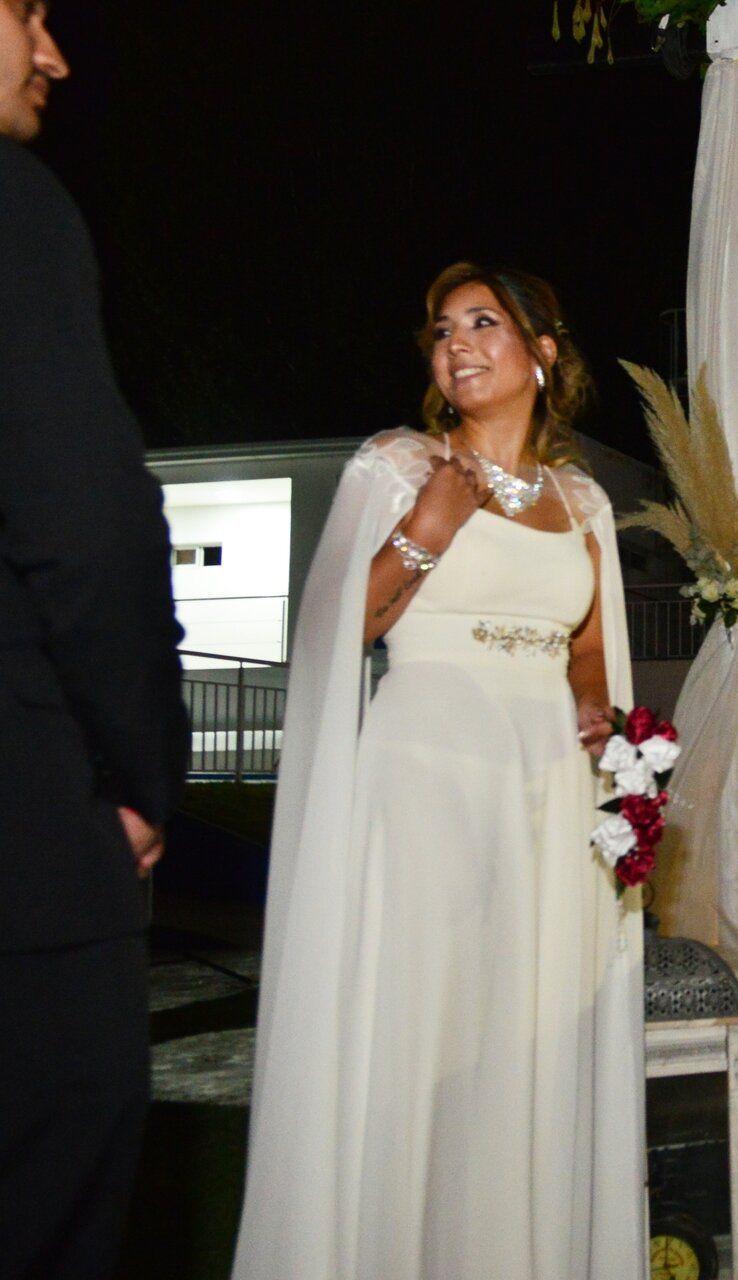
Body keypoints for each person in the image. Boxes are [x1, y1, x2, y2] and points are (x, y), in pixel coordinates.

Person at [232, 264, 645, 1278]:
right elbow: (336, 627)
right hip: (426, 773)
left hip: (546, 788)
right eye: (442, 330)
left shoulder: (583, 499)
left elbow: (591, 649)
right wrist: (427, 529)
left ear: (543, 352)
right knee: (430, 1021)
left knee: (527, 1028)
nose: (456, 345)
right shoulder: (397, 464)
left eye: (483, 323)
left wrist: (602, 725)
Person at [0, 7, 189, 1278]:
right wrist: (137, 771)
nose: (53, 54)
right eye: (28, 11)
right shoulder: (13, 207)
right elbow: (85, 522)